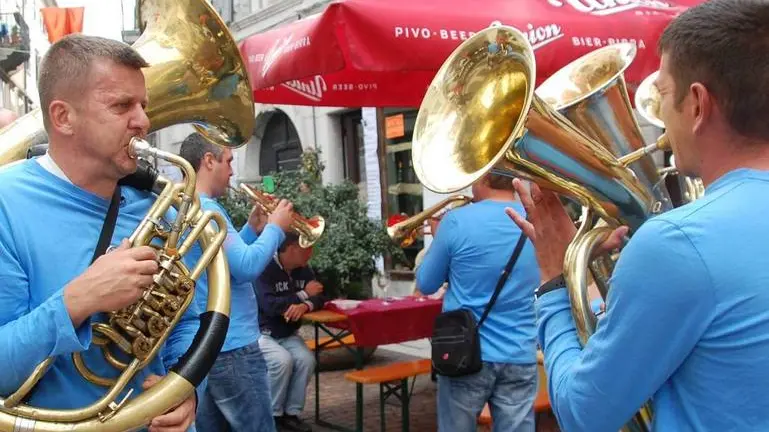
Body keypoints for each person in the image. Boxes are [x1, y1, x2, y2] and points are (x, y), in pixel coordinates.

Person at [505, 1, 769, 430]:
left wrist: (556, 280)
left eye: (662, 93)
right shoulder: (680, 249)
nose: (660, 114)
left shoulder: (678, 243)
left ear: (698, 104)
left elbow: (583, 414)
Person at [0, 35, 198, 431]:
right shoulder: (6, 203)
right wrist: (78, 299)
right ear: (63, 118)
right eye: (122, 106)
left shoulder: (159, 207)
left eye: (143, 105)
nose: (143, 120)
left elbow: (188, 323)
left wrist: (187, 387)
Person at [179, 132, 294, 432]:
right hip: (234, 345)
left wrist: (252, 229)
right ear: (208, 161)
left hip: (206, 345)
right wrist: (276, 229)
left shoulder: (186, 204)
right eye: (228, 161)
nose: (232, 170)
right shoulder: (210, 209)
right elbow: (245, 267)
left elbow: (219, 265)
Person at [416, 173, 541, 432]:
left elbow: (426, 283)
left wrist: (438, 240)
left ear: (482, 179)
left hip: (465, 352)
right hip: (520, 350)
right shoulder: (537, 220)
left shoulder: (456, 222)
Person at [254, 230, 326, 432]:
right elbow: (269, 305)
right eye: (307, 247)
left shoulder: (303, 269)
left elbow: (321, 295)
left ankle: (291, 414)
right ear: (293, 249)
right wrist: (302, 295)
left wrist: (305, 306)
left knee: (306, 360)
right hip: (262, 333)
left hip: (287, 334)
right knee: (281, 361)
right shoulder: (265, 268)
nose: (311, 252)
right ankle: (272, 416)